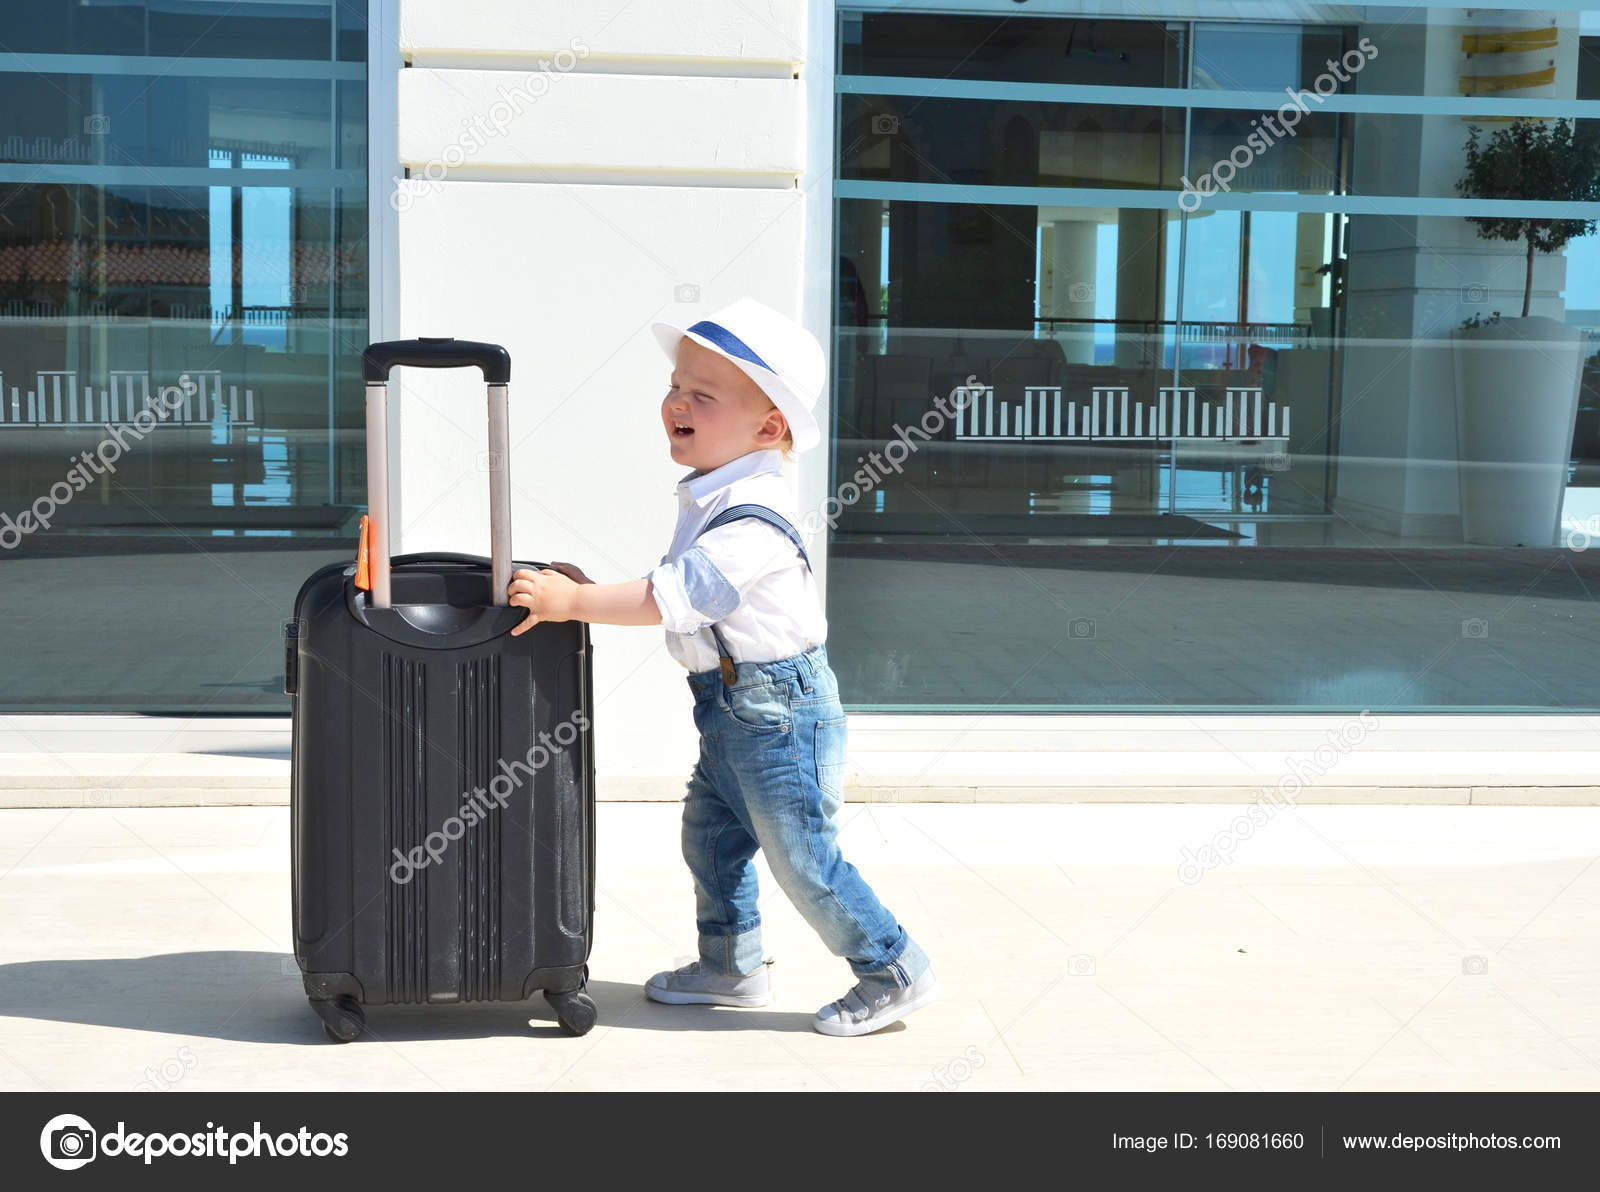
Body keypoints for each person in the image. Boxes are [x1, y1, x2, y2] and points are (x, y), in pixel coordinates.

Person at [506, 297, 937, 1036]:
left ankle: (892, 967)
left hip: (779, 716)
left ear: (768, 428)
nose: (676, 401)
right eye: (677, 384)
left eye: (702, 395)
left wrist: (574, 600)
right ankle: (731, 967)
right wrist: (585, 591)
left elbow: (674, 597)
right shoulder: (714, 496)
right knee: (710, 837)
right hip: (734, 710)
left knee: (803, 859)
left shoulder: (753, 517)